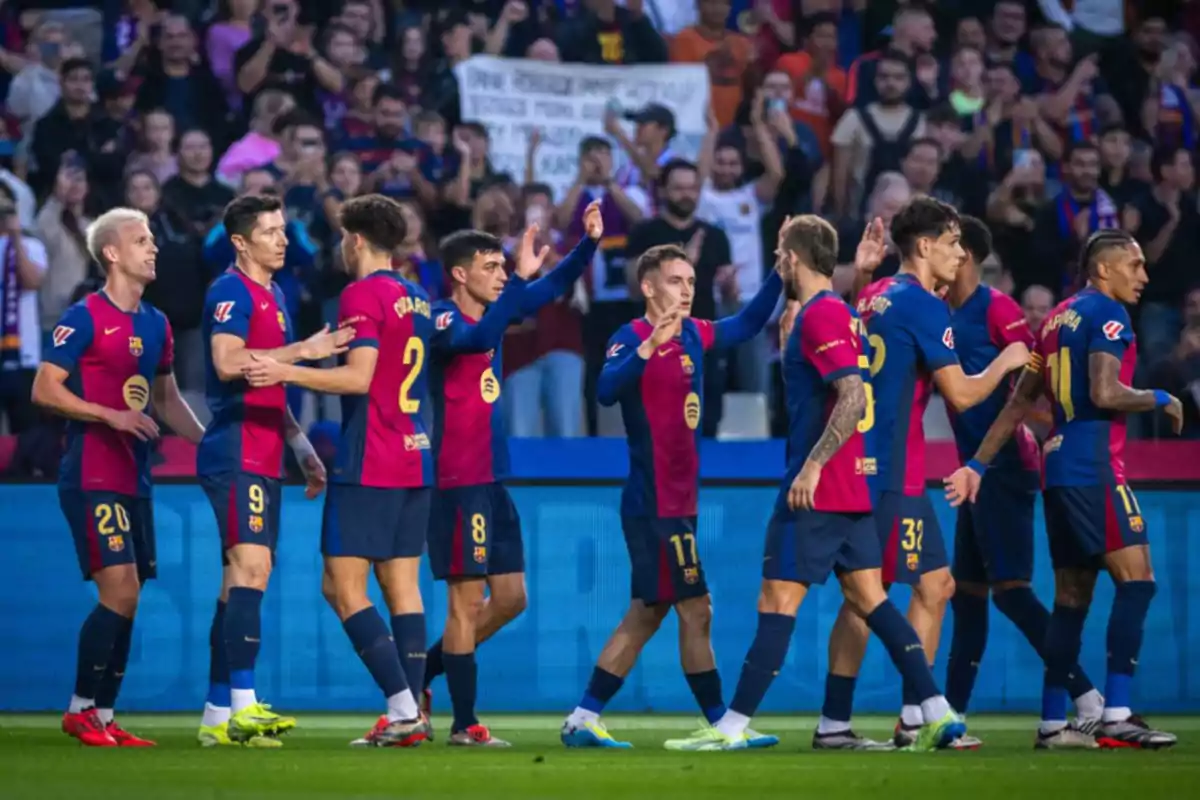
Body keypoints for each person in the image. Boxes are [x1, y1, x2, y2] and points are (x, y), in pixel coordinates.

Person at [664, 216, 967, 752]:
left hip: (820, 487)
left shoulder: (822, 316)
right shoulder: (843, 315)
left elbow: (850, 395)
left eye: (781, 251)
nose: (778, 260)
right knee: (872, 601)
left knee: (778, 601)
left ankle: (731, 727)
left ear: (792, 258)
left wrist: (812, 466)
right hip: (854, 485)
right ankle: (934, 710)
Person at [945, 229, 1184, 750]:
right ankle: (1116, 713)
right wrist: (1159, 396)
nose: (1143, 276)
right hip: (1095, 467)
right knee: (1138, 582)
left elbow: (1017, 403)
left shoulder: (1055, 320)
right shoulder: (1110, 316)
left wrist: (978, 466)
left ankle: (1054, 723)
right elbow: (1105, 391)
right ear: (1103, 269)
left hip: (1055, 467)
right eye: (1135, 265)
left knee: (1072, 599)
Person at [818, 197, 1028, 750]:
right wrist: (1007, 361)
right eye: (955, 242)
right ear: (925, 246)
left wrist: (863, 271)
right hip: (892, 468)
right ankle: (913, 717)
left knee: (894, 590)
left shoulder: (874, 295)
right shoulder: (925, 306)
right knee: (908, 589)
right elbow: (960, 395)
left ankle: (857, 721)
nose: (963, 254)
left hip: (871, 462)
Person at [560, 240, 783, 750]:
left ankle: (583, 717)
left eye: (690, 282)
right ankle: (721, 723)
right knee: (695, 607)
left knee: (648, 611)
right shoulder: (630, 335)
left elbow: (747, 324)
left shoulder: (696, 334)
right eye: (676, 281)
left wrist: (778, 272)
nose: (686, 291)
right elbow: (606, 390)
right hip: (653, 501)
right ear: (648, 286)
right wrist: (646, 348)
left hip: (678, 501)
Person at [242, 195, 433, 748]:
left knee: (341, 586)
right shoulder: (416, 297)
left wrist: (283, 368)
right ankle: (412, 715)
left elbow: (358, 379)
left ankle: (402, 711)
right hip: (415, 455)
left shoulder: (360, 292)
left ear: (355, 240)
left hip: (371, 456)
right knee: (403, 587)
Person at [421, 203, 603, 746]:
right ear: (460, 274)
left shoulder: (496, 311)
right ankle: (463, 724)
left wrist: (588, 245)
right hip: (457, 478)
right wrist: (520, 280)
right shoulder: (443, 317)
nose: (503, 275)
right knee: (463, 602)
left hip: (491, 477)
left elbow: (552, 288)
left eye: (504, 267)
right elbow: (476, 342)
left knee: (511, 598)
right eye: (492, 267)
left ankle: (421, 677)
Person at [31, 207, 205, 746]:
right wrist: (111, 415)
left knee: (132, 593)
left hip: (135, 480)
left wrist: (215, 449)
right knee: (121, 588)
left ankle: (104, 715)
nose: (152, 248)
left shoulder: (156, 324)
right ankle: (79, 708)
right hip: (91, 471)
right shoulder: (84, 316)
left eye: (152, 239)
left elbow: (167, 400)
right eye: (140, 240)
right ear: (111, 253)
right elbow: (44, 388)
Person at [195, 194, 351, 748]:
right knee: (253, 568)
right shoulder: (230, 290)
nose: (284, 239)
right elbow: (228, 362)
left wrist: (301, 445)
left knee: (235, 583)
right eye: (271, 232)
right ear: (241, 242)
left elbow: (270, 381)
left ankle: (217, 716)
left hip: (264, 449)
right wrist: (306, 350)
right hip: (235, 448)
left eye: (284, 230)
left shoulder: (275, 294)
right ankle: (244, 707)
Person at [942, 215, 1102, 748]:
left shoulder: (999, 310)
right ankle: (950, 716)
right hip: (972, 470)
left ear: (963, 254)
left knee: (1011, 594)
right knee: (965, 597)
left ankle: (1087, 699)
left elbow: (1031, 387)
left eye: (947, 245)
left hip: (1004, 468)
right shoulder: (944, 309)